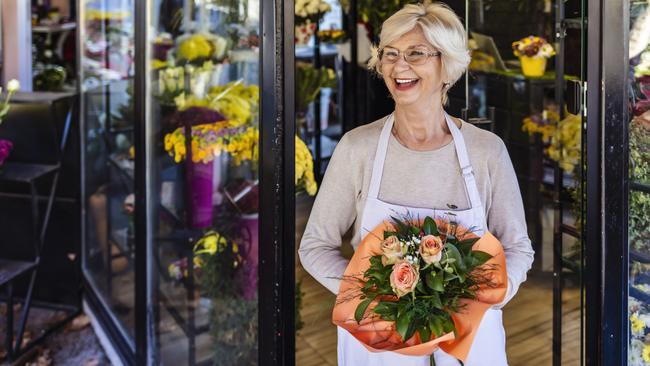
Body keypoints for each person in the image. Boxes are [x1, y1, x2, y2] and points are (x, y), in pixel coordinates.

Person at [299, 2, 535, 365]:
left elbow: (518, 247)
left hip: (469, 340)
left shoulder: (487, 152)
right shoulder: (357, 148)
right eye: (390, 54)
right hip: (376, 342)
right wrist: (369, 296)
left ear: (448, 65)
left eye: (416, 53)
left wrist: (481, 301)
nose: (399, 65)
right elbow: (315, 245)